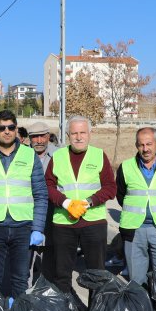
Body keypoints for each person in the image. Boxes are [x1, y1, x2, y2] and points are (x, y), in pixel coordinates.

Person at [0, 110, 48, 300]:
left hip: (23, 227)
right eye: (2, 128)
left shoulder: (29, 155)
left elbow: (40, 195)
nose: (7, 131)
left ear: (16, 129)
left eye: (11, 127)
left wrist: (37, 228)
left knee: (20, 280)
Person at [44, 115, 116, 293]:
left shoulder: (99, 155)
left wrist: (89, 202)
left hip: (93, 222)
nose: (78, 137)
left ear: (90, 134)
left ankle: (96, 310)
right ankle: (65, 308)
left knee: (97, 275)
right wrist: (65, 202)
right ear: (68, 135)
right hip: (63, 223)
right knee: (61, 275)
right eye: (74, 133)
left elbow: (110, 187)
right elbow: (47, 186)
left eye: (82, 132)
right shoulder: (58, 156)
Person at [116, 127, 156, 283]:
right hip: (134, 230)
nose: (145, 149)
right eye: (141, 145)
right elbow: (121, 195)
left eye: (149, 144)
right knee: (136, 281)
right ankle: (140, 300)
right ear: (136, 145)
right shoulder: (125, 167)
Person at [27, 121, 56, 282]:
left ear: (48, 136)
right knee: (26, 261)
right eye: (34, 137)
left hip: (53, 214)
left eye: (42, 136)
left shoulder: (59, 155)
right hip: (28, 214)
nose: (38, 141)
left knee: (50, 258)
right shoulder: (22, 155)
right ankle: (26, 292)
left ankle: (46, 290)